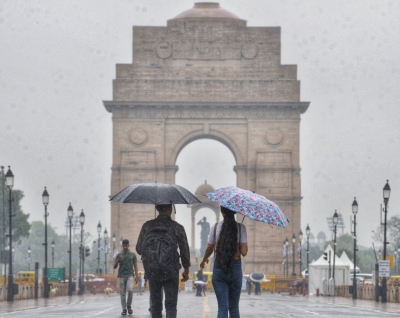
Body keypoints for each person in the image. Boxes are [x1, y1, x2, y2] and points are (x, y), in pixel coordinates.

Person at [136, 204, 190, 318]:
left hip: (153, 271)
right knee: (170, 306)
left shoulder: (147, 226)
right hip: (171, 271)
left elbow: (139, 249)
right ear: (170, 208)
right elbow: (185, 251)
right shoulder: (177, 227)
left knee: (155, 307)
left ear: (156, 208)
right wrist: (186, 270)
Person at [200, 206, 248, 318]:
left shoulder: (215, 227)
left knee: (223, 307)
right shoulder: (241, 228)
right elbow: (244, 252)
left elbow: (209, 248)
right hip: (235, 269)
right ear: (235, 211)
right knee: (234, 308)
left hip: (219, 268)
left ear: (222, 212)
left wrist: (204, 259)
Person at [114, 239, 138, 316]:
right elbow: (114, 267)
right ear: (122, 246)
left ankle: (129, 306)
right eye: (123, 246)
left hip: (130, 275)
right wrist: (118, 261)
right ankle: (124, 309)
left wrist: (137, 276)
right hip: (121, 275)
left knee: (130, 289)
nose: (125, 247)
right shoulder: (119, 255)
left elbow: (135, 265)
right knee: (122, 293)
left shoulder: (132, 255)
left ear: (128, 245)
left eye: (126, 246)